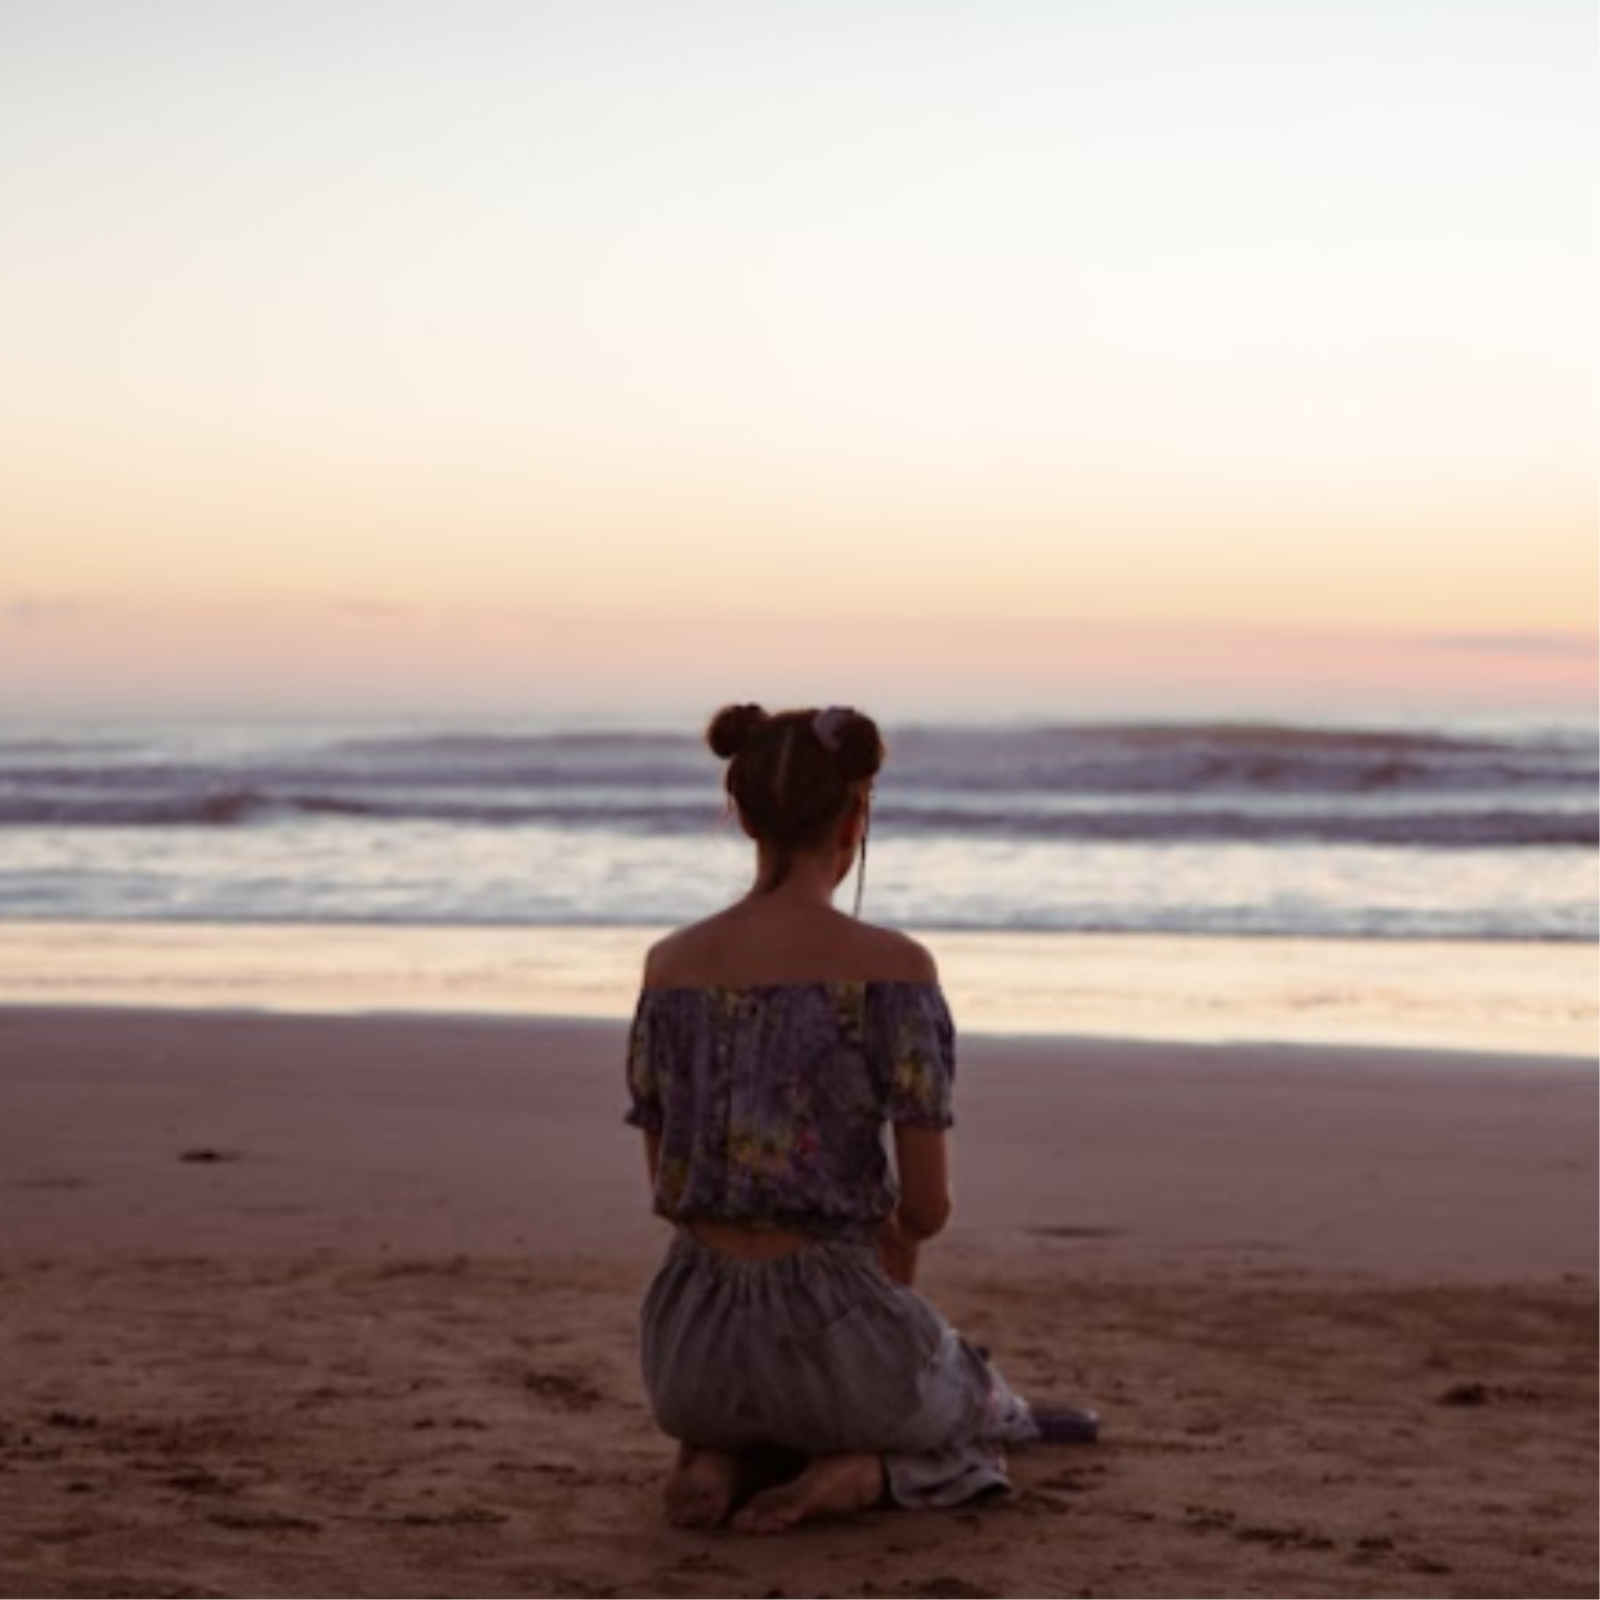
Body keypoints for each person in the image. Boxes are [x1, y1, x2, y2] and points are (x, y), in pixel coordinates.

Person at [625, 702, 1085, 1534]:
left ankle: (713, 1455)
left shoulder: (669, 966)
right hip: (834, 1342)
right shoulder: (894, 969)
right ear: (854, 818)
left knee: (752, 1402)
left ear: (744, 817)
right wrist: (892, 1238)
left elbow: (670, 1189)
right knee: (975, 1403)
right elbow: (927, 1210)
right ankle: (857, 1473)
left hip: (687, 1349)